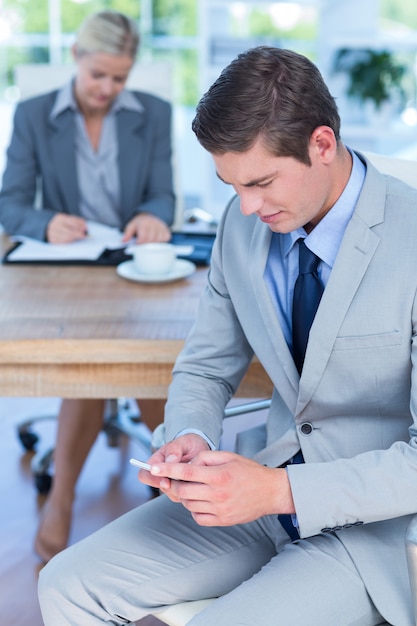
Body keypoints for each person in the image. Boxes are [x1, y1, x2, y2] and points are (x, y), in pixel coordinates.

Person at [37, 46, 417, 626]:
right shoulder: (242, 230)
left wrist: (277, 493)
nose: (245, 208)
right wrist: (190, 432)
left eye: (261, 182)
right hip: (258, 495)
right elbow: (207, 366)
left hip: (367, 528)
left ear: (322, 145)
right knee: (66, 583)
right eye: (230, 185)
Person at [0, 10, 175, 563]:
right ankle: (82, 495)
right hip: (68, 271)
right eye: (99, 73)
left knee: (147, 354)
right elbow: (9, 202)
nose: (108, 88)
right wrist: (42, 222)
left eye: (120, 77)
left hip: (134, 266)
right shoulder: (33, 115)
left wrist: (151, 215)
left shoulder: (153, 113)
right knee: (95, 359)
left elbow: (164, 194)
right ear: (76, 55)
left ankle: (168, 489)